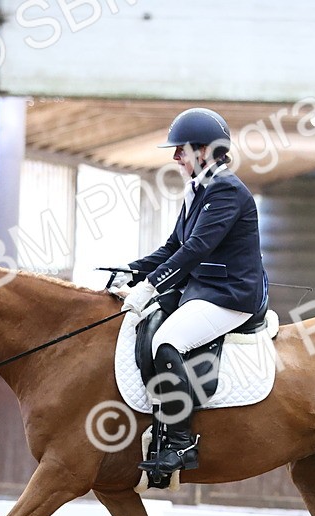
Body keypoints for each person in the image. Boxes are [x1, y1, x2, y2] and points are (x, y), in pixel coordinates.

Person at [118, 108, 268, 475]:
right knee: (148, 325)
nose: (175, 158)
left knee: (166, 341)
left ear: (204, 150)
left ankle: (180, 443)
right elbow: (173, 246)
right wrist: (130, 271)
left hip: (231, 295)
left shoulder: (227, 191)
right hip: (202, 289)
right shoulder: (198, 189)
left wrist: (150, 286)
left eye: (180, 150)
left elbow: (196, 248)